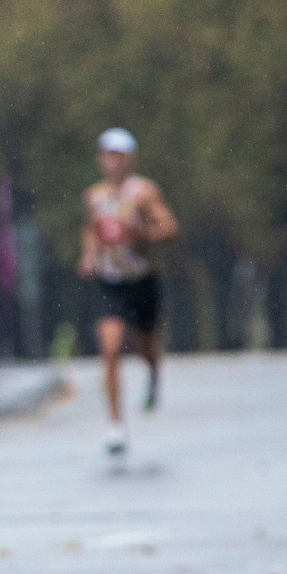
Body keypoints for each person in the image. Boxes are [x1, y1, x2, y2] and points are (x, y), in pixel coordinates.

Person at [78, 127, 179, 456]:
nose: (114, 162)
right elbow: (91, 230)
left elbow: (169, 229)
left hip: (141, 280)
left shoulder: (143, 193)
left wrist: (141, 232)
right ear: (100, 158)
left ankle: (153, 371)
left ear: (130, 159)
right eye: (109, 155)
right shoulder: (94, 196)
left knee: (145, 344)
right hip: (109, 282)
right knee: (110, 347)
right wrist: (89, 256)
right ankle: (115, 424)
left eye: (119, 155)